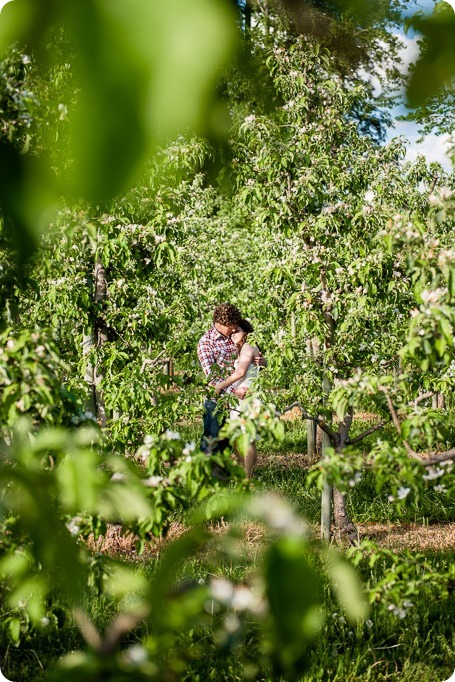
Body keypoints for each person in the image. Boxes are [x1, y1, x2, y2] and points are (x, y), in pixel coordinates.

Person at [214, 318, 260, 479]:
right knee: (237, 438)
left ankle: (248, 478)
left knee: (247, 437)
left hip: (247, 398)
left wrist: (220, 386)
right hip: (239, 398)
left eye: (237, 331)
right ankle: (246, 473)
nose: (233, 334)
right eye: (232, 331)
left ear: (246, 333)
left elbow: (240, 372)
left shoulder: (248, 347)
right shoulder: (241, 349)